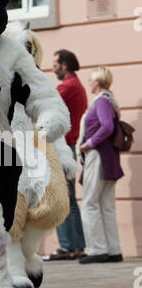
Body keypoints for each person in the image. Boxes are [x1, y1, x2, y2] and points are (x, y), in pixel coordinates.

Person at [43, 49, 87, 261]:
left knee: (61, 198)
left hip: (62, 147)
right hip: (69, 146)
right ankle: (77, 245)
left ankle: (67, 246)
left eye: (56, 64)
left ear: (65, 65)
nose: (53, 67)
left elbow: (44, 103)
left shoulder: (67, 87)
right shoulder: (78, 85)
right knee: (70, 200)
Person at [78, 67, 123, 264]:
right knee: (106, 205)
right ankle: (113, 250)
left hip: (98, 155)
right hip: (108, 157)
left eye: (91, 79)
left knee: (89, 203)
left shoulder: (101, 101)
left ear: (98, 81)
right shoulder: (109, 99)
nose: (89, 81)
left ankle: (97, 249)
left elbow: (107, 127)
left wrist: (89, 143)